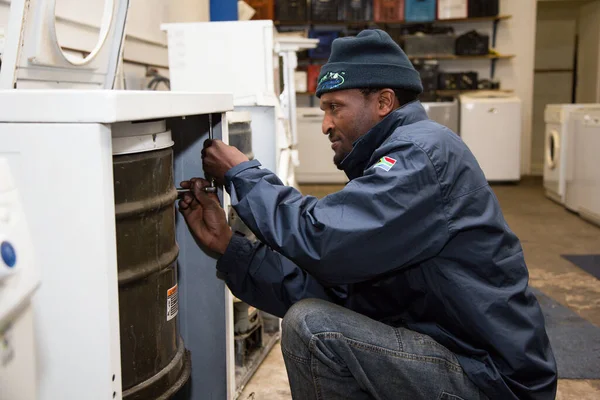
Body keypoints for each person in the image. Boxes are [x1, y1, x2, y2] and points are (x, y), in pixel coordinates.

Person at [178, 29, 557, 400]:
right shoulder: (391, 163)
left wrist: (244, 175)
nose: (325, 124)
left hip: (491, 381)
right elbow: (336, 293)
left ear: (384, 102)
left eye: (334, 107)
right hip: (450, 355)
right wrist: (232, 248)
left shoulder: (421, 155)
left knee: (315, 330)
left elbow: (323, 241)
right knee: (318, 317)